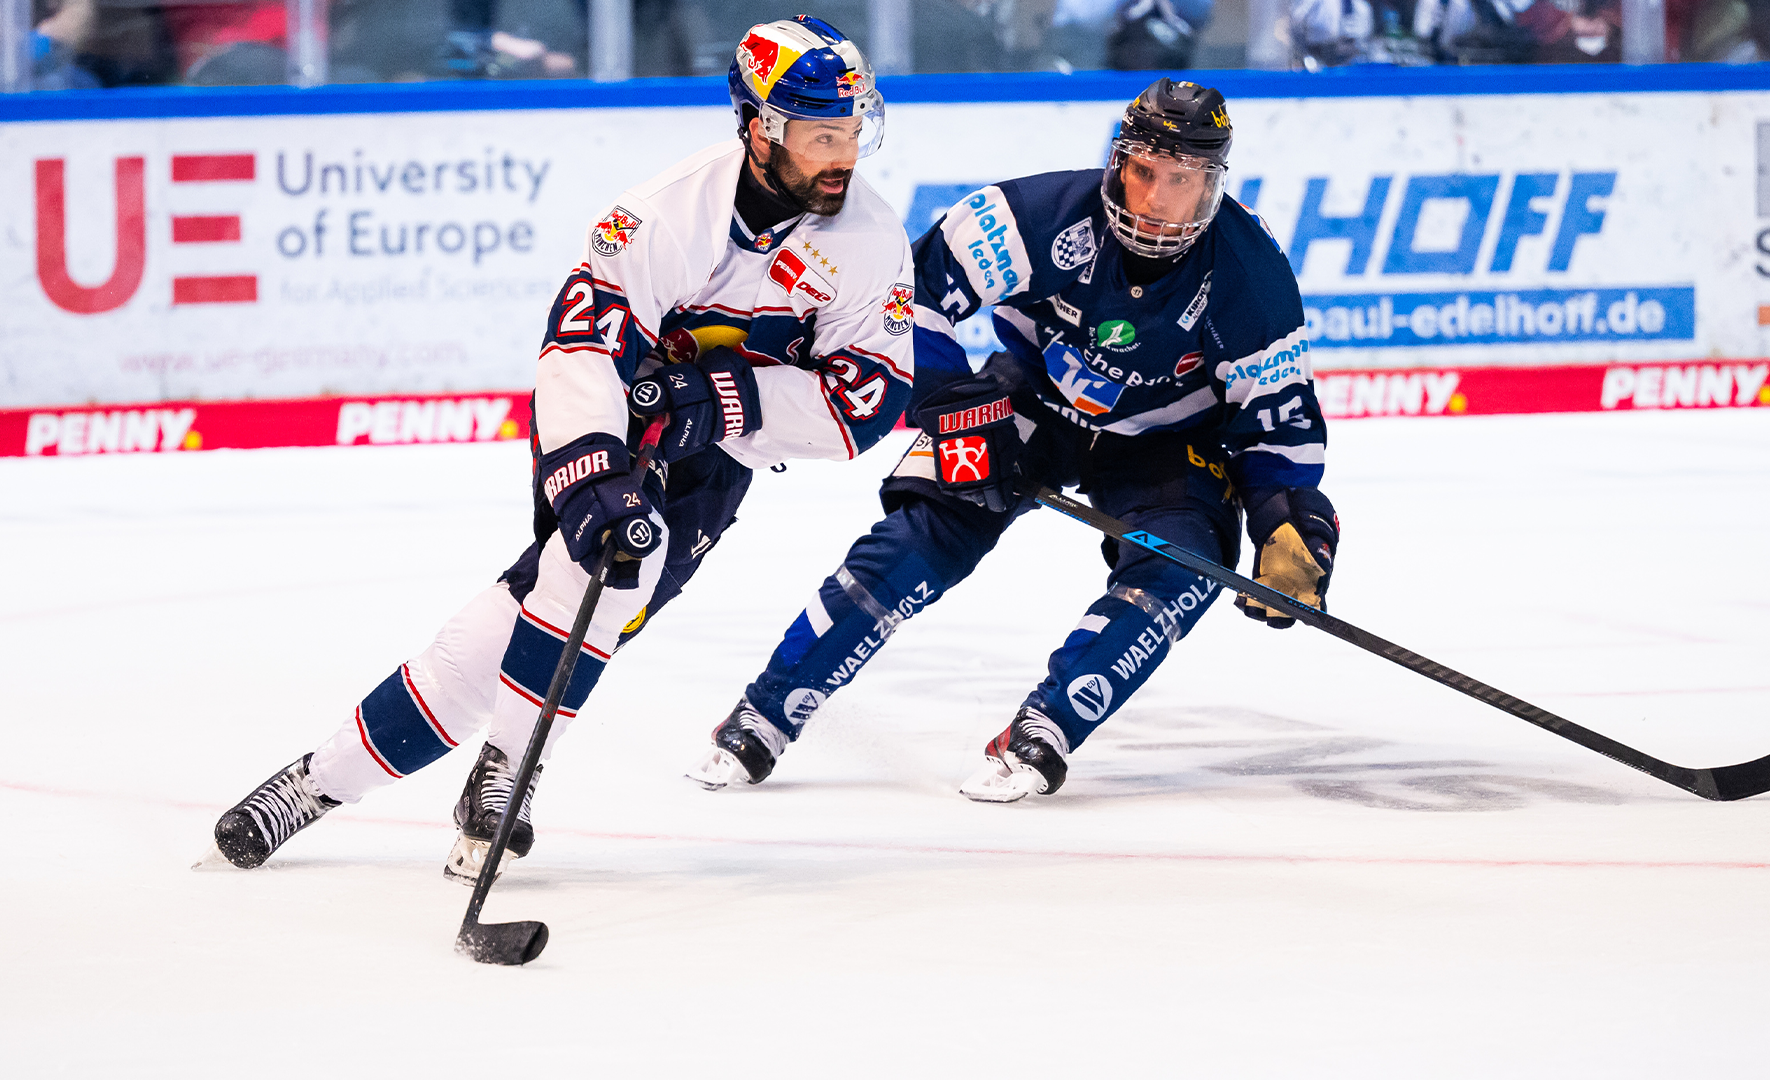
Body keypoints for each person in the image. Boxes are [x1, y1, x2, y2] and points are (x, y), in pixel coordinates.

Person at [208, 16, 914, 876]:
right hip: (604, 426)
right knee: (615, 567)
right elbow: (581, 350)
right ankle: (510, 771)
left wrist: (717, 399)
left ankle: (315, 782)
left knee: (531, 614)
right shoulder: (660, 216)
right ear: (761, 128)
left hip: (717, 459)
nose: (842, 155)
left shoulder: (871, 242)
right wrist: (591, 478)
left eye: (851, 131)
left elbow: (866, 401)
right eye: (819, 135)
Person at [687, 79, 1336, 803]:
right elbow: (909, 297)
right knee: (919, 533)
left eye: (1181, 180)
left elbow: (1276, 418)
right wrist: (957, 405)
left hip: (1164, 443)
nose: (1155, 199)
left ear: (1211, 185)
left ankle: (1047, 727)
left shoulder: (1251, 275)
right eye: (1144, 171)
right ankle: (769, 709)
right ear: (1118, 160)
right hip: (1028, 403)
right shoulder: (1033, 216)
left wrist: (1287, 517)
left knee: (1184, 565)